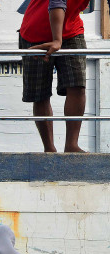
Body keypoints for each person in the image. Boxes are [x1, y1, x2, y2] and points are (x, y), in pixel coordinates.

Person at [19, 0, 89, 153]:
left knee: (77, 85)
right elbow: (57, 2)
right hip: (36, 31)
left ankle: (71, 145)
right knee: (40, 94)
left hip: (71, 30)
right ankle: (49, 148)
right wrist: (57, 40)